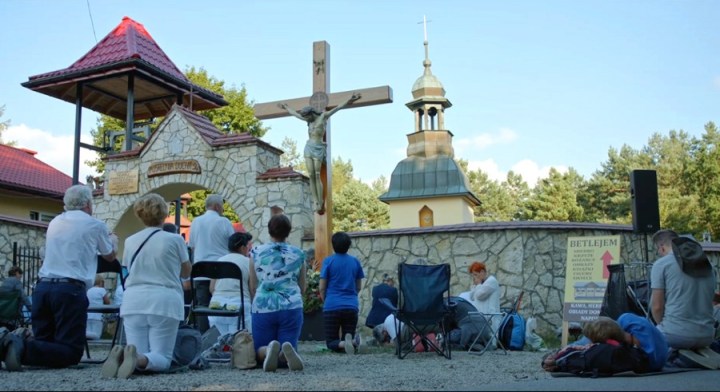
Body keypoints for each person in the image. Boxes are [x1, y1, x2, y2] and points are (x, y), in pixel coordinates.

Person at [0, 184, 117, 371]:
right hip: (69, 289)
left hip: (43, 288)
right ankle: (17, 346)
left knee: (45, 341)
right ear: (88, 204)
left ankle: (9, 345)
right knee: (71, 351)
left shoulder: (55, 222)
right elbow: (109, 255)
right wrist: (112, 239)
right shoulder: (95, 225)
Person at [101, 193, 191, 378]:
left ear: (140, 215)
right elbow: (186, 272)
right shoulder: (175, 240)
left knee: (136, 350)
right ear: (164, 213)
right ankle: (137, 360)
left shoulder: (131, 241)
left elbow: (127, 269)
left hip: (134, 301)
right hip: (164, 301)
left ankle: (124, 358)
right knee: (162, 358)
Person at [278, 92, 361, 214]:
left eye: (308, 116)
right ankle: (315, 201)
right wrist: (286, 108)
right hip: (309, 147)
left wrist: (350, 98)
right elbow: (295, 115)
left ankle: (321, 202)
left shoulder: (324, 116)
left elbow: (338, 108)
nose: (307, 119)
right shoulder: (309, 120)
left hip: (318, 148)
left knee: (316, 174)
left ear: (312, 113)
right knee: (310, 174)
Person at [249, 214, 305, 372]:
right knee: (289, 347)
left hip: (263, 305)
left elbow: (253, 285)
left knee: (257, 351)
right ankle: (284, 355)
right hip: (291, 305)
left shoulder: (256, 252)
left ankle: (268, 351)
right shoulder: (299, 254)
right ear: (288, 231)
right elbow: (302, 286)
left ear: (269, 231)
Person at [650, 230, 716, 351]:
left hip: (674, 335)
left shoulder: (661, 265)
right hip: (707, 335)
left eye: (658, 251)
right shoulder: (708, 265)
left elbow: (657, 306)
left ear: (662, 247)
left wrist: (662, 326)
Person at [189, 194, 235, 332]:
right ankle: (221, 336)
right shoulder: (224, 222)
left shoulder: (196, 221)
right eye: (222, 206)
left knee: (202, 306)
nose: (223, 209)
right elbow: (233, 244)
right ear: (216, 206)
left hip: (201, 271)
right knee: (221, 305)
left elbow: (192, 246)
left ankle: (204, 338)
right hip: (220, 271)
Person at [318, 231, 365, 354]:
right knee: (347, 335)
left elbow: (322, 287)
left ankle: (348, 343)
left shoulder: (328, 261)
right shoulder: (355, 262)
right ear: (348, 245)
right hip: (351, 306)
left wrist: (326, 300)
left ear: (333, 245)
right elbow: (358, 286)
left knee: (331, 342)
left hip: (332, 305)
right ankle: (355, 342)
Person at [208, 232, 253, 335]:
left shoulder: (219, 261)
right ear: (242, 248)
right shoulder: (248, 262)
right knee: (240, 344)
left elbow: (211, 289)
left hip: (216, 307)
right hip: (240, 308)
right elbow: (252, 289)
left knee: (219, 345)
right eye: (248, 247)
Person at [460, 261, 501, 348]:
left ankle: (491, 344)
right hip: (481, 316)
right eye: (473, 275)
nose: (475, 277)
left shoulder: (491, 281)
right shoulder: (481, 284)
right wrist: (475, 286)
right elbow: (471, 296)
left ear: (482, 272)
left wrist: (478, 285)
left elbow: (479, 295)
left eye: (476, 274)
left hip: (490, 316)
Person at [86, 274, 111, 340]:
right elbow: (107, 302)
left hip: (88, 315)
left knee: (88, 334)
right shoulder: (102, 290)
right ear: (101, 282)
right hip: (97, 316)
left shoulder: (88, 290)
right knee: (96, 335)